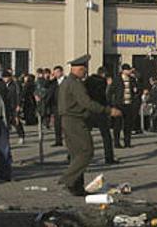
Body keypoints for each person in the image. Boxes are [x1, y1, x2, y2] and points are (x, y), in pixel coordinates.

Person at [57, 54, 122, 196]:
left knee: (76, 154)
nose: (86, 72)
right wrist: (108, 110)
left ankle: (76, 187)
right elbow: (86, 103)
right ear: (80, 69)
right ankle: (67, 179)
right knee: (87, 151)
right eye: (84, 70)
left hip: (68, 120)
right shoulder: (75, 84)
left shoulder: (66, 82)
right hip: (75, 120)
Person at [84, 66, 118, 164]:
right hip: (101, 110)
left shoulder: (88, 80)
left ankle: (73, 155)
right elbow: (105, 96)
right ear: (104, 74)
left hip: (90, 110)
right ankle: (109, 157)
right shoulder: (102, 82)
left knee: (84, 133)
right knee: (106, 135)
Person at [108, 64, 139, 148]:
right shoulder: (117, 79)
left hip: (129, 104)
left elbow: (137, 89)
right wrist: (111, 104)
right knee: (117, 124)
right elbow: (110, 92)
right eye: (128, 70)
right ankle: (117, 142)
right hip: (119, 104)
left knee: (128, 125)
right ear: (123, 70)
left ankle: (127, 142)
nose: (129, 71)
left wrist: (136, 90)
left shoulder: (132, 79)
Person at [2, 71, 26, 144]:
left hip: (14, 105)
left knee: (16, 121)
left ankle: (21, 136)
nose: (5, 79)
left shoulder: (15, 84)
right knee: (6, 122)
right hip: (6, 106)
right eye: (4, 77)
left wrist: (19, 105)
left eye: (6, 77)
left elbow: (19, 95)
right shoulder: (2, 85)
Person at [45, 66, 65, 146]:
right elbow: (45, 86)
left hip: (65, 105)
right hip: (56, 105)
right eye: (54, 72)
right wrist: (50, 79)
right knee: (57, 124)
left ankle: (69, 140)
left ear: (61, 72)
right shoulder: (53, 82)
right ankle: (58, 141)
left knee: (65, 124)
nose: (55, 74)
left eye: (57, 72)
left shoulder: (66, 80)